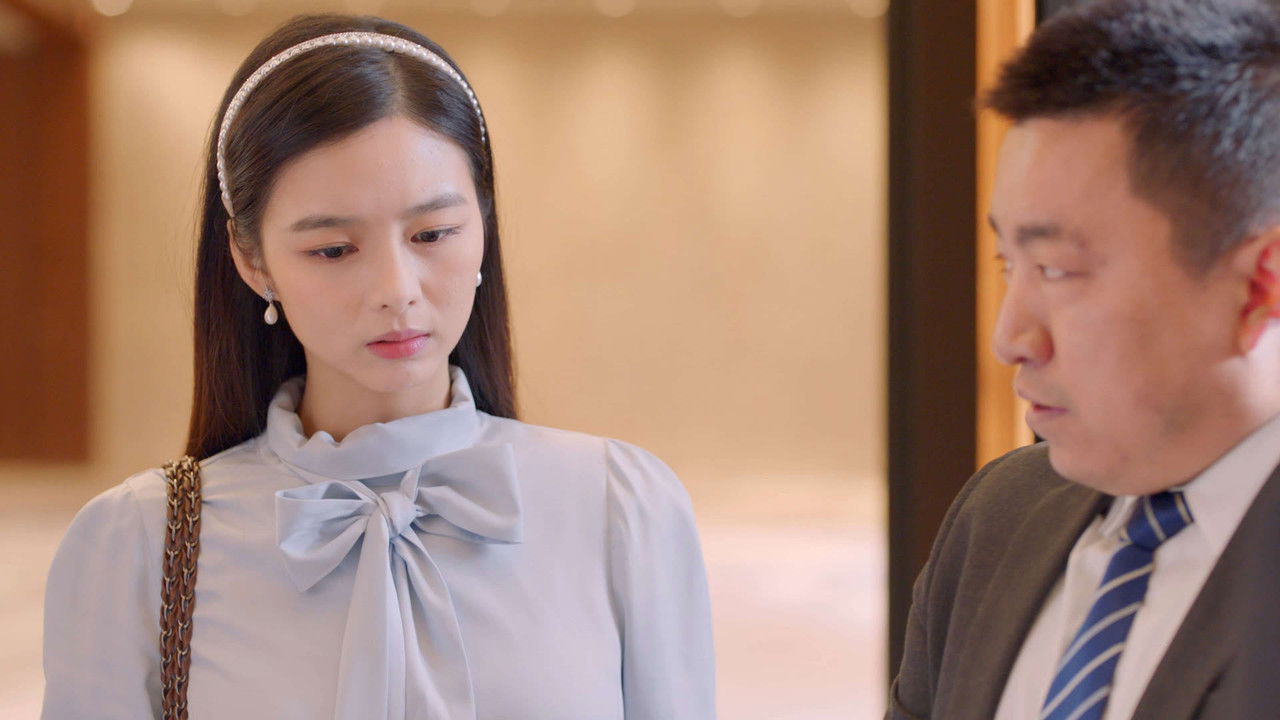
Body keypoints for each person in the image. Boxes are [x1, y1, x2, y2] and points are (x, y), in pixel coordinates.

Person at [41, 14, 715, 720]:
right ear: (252, 260)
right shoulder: (140, 544)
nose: (396, 289)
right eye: (333, 249)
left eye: (433, 233)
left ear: (483, 228)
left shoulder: (619, 507)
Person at [888, 1, 1280, 718]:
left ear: (1260, 285)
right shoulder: (999, 519)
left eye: (1058, 270)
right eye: (1009, 265)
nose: (1011, 337)